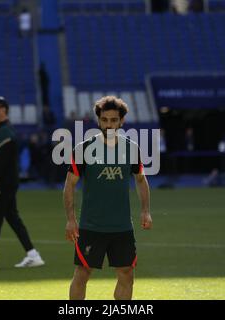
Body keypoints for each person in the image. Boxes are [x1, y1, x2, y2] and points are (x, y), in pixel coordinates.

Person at [63, 96, 152, 300]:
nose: (109, 125)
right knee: (82, 274)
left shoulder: (131, 148)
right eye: (105, 120)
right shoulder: (84, 149)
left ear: (121, 121)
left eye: (113, 120)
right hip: (90, 226)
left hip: (121, 227)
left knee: (126, 274)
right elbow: (69, 185)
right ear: (98, 121)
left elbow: (140, 179)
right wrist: (70, 219)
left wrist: (145, 210)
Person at [0, 97, 44, 269]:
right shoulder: (2, 130)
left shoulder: (5, 131)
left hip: (4, 182)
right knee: (12, 218)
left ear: (2, 109)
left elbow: (4, 159)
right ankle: (33, 254)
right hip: (8, 181)